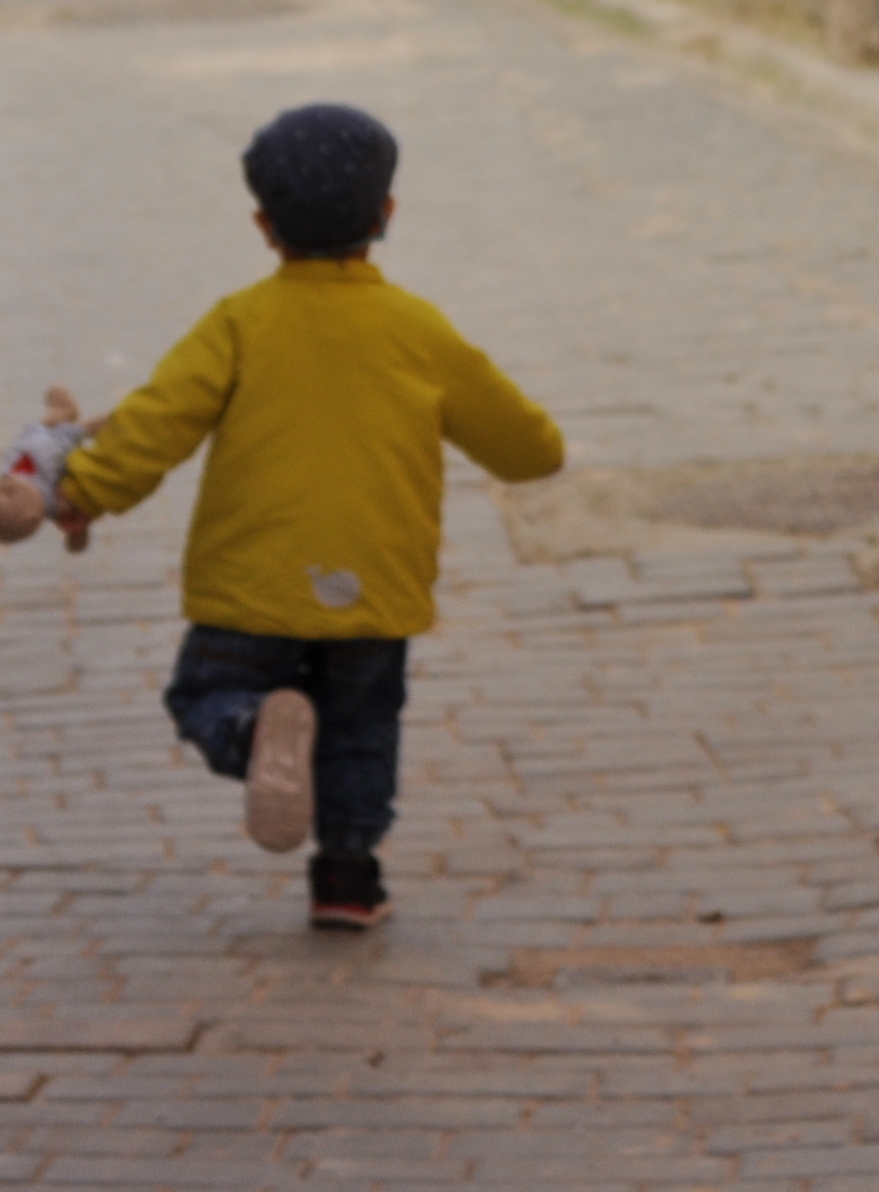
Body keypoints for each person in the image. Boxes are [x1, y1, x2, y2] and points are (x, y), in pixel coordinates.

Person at [51, 103, 564, 933]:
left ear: (264, 227)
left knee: (205, 692)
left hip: (250, 584)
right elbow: (525, 445)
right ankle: (348, 880)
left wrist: (86, 488)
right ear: (385, 215)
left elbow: (158, 421)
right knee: (360, 728)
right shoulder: (417, 330)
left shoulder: (239, 323)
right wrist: (542, 449)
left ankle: (252, 731)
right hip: (372, 585)